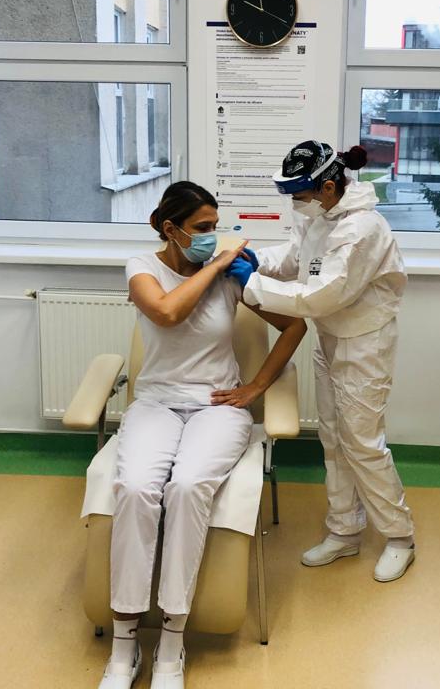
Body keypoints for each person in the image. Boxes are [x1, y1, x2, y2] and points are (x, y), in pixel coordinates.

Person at [99, 181, 306, 689]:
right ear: (171, 229)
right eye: (203, 228)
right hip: (156, 403)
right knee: (136, 488)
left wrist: (256, 386)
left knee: (188, 486)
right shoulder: (142, 267)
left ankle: (173, 639)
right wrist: (216, 266)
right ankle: (125, 643)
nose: (215, 236)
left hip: (217, 406)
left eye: (217, 226)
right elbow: (168, 312)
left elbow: (295, 326)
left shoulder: (231, 277)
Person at [228, 141, 416, 583]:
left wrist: (252, 285)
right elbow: (298, 257)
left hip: (364, 343)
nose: (296, 203)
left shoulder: (362, 229)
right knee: (333, 438)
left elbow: (321, 294)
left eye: (300, 194)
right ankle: (345, 530)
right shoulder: (323, 216)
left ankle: (400, 537)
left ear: (328, 188)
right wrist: (258, 261)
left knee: (362, 443)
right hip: (331, 337)